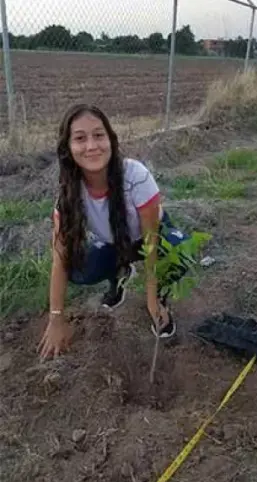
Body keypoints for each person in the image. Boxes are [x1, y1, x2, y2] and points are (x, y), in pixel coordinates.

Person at [38, 104, 192, 360]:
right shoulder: (68, 193)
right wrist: (56, 319)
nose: (91, 146)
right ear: (68, 148)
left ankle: (161, 296)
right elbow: (60, 258)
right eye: (80, 138)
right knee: (78, 269)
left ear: (111, 139)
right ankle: (119, 274)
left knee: (181, 252)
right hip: (114, 244)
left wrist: (151, 302)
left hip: (151, 237)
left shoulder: (136, 176)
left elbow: (151, 244)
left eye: (99, 135)